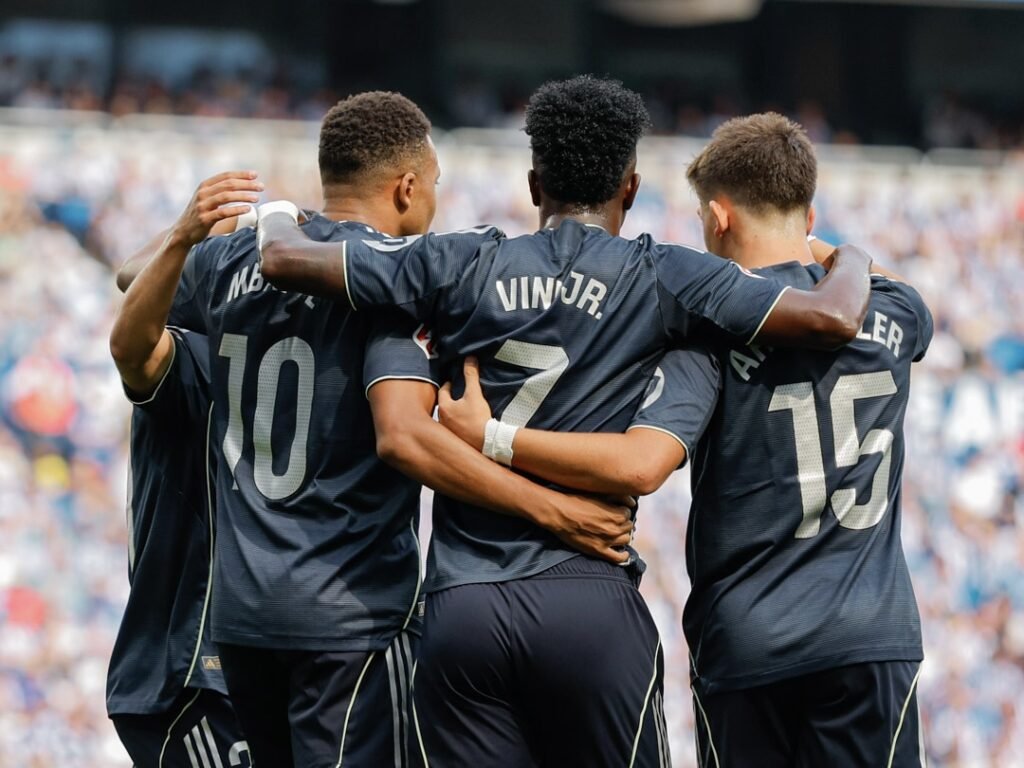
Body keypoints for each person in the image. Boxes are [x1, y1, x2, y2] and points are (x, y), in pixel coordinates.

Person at [254, 76, 875, 767]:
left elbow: (284, 260)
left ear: (532, 183)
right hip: (590, 600)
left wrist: (276, 212)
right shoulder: (667, 276)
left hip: (465, 607)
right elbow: (830, 317)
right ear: (631, 189)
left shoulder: (456, 262)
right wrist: (851, 255)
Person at [124, 91, 634, 768]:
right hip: (350, 614)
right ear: (406, 187)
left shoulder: (239, 258)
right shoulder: (394, 282)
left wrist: (194, 232)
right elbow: (405, 438)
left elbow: (134, 277)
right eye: (435, 187)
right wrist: (555, 510)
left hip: (242, 617)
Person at [440, 112, 932, 768]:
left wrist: (494, 436)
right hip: (872, 637)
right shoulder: (893, 308)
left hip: (749, 642)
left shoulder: (708, 336)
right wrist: (847, 253)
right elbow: (892, 306)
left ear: (720, 217)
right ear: (809, 217)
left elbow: (645, 460)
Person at [107, 177, 254, 767]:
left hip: (223, 656)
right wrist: (187, 236)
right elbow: (131, 335)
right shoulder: (190, 355)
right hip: (187, 664)